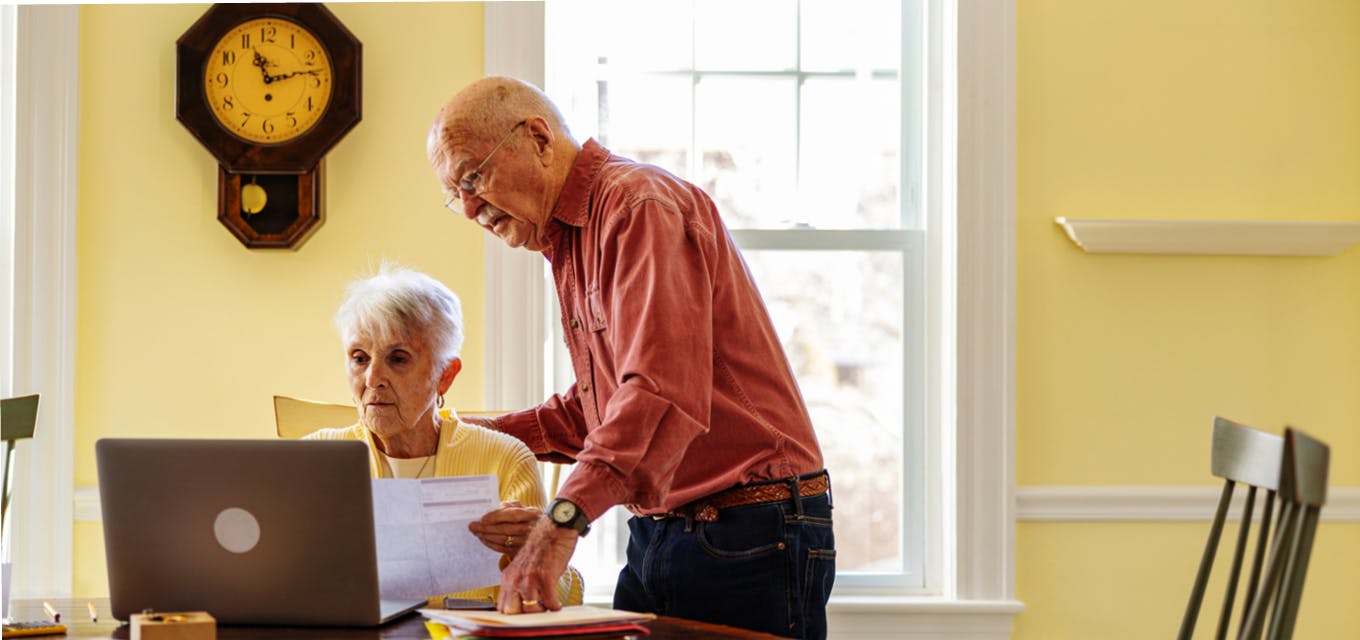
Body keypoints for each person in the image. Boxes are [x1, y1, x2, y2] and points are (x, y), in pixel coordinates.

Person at [427, 76, 835, 639]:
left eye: (474, 177)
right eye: (457, 195)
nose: (471, 208)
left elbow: (658, 393)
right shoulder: (569, 241)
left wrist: (561, 520)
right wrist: (469, 434)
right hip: (665, 532)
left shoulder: (637, 206)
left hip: (747, 528)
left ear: (538, 138)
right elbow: (599, 409)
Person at [302, 265, 580, 606]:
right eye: (359, 358)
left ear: (445, 376)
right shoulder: (315, 458)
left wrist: (538, 553)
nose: (373, 378)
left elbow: (546, 603)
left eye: (398, 358)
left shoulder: (505, 459)